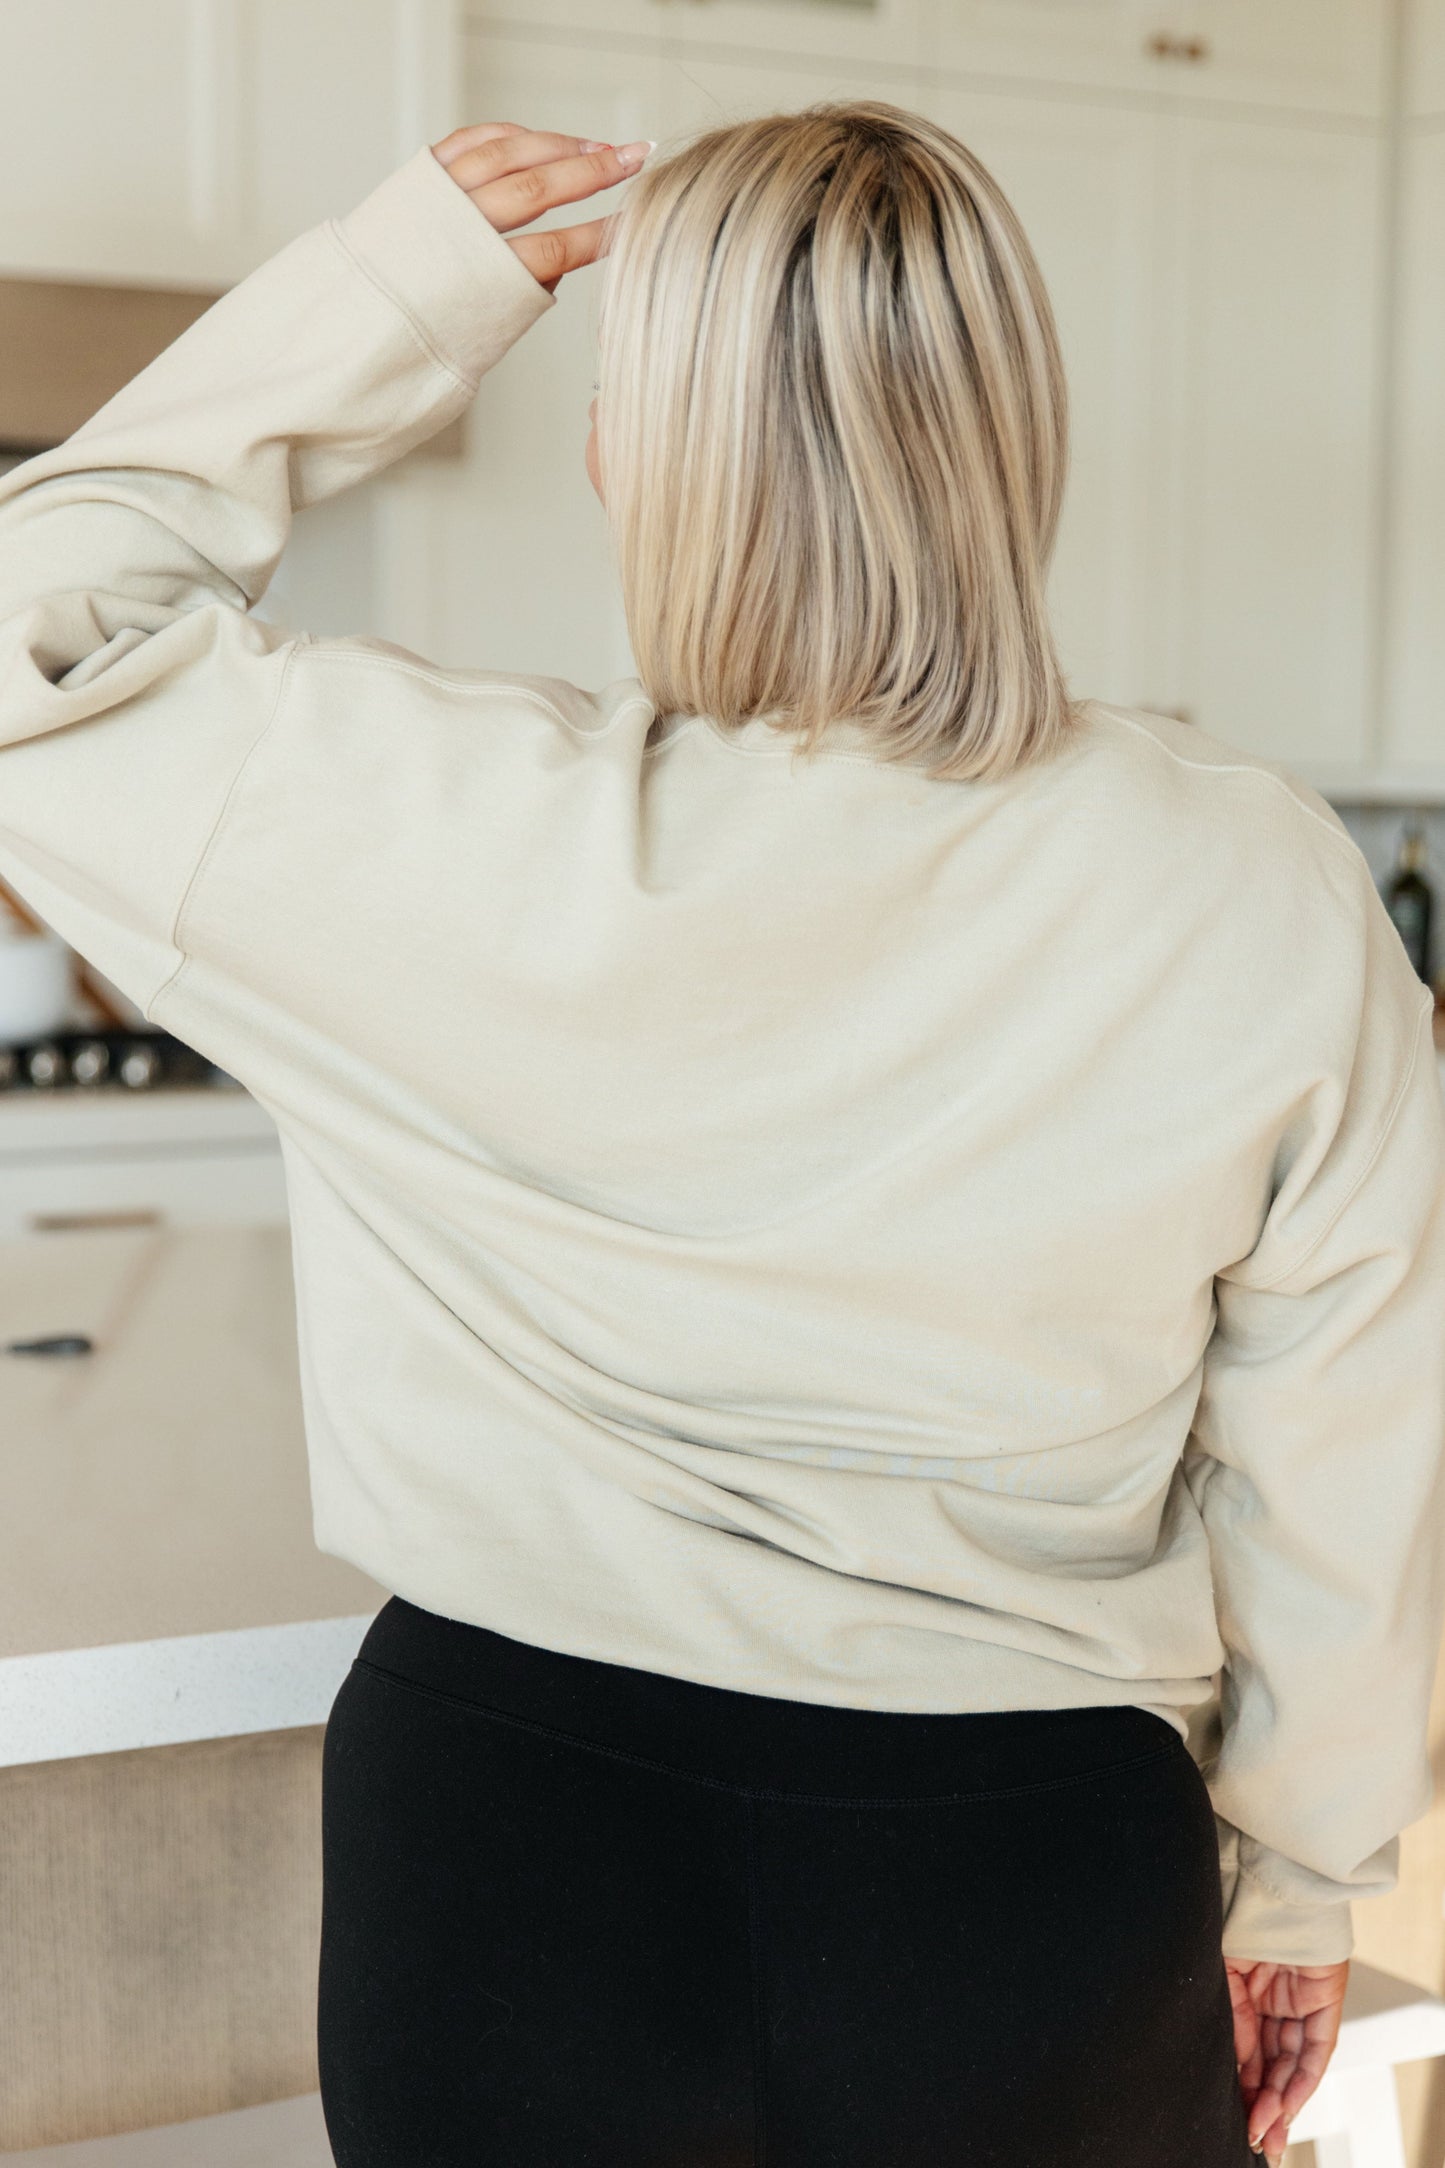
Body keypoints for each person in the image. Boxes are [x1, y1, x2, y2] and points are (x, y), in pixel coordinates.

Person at [0, 99, 1442, 2168]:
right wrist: (1297, 1880)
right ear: (1011, 432)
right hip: (1027, 1869)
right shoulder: (1256, 883)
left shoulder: (412, 826)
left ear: (640, 455)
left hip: (506, 1847)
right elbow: (1344, 1446)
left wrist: (407, 288)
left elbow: (28, 622)